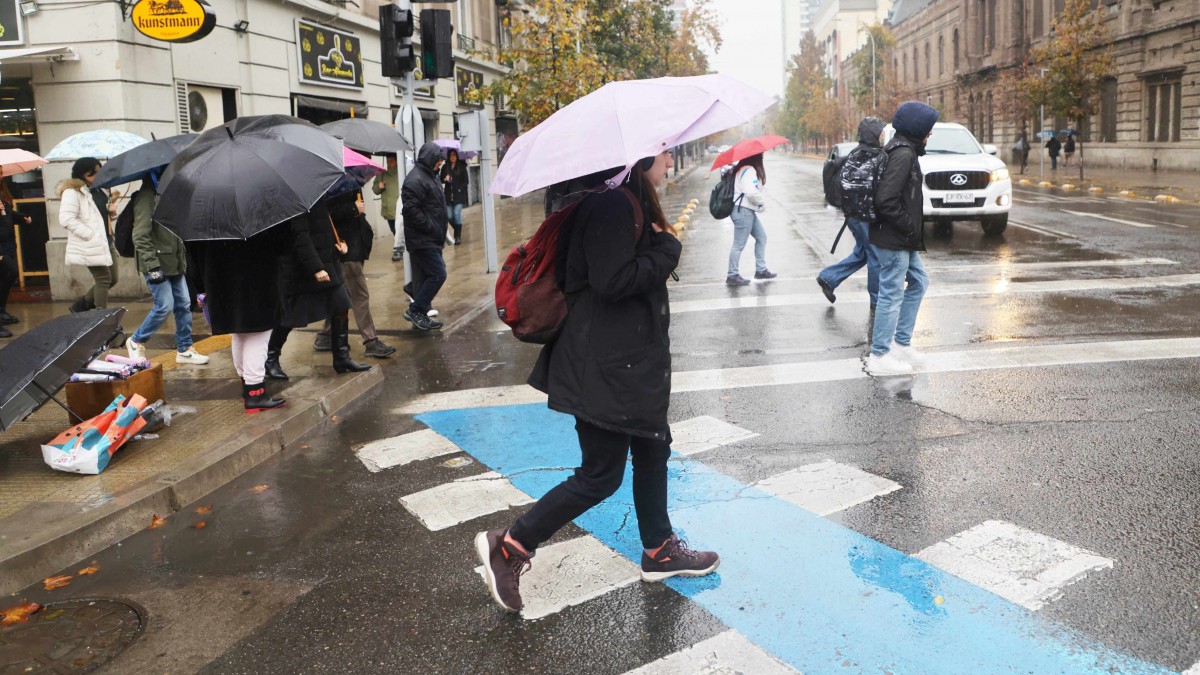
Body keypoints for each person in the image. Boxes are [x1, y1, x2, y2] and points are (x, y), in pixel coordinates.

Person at [474, 152, 719, 614]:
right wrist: (667, 250)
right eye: (664, 151)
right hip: (606, 367)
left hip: (627, 363)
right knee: (600, 475)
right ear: (641, 158)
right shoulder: (610, 206)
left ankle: (659, 549)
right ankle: (509, 546)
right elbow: (612, 281)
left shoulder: (624, 202)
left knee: (653, 448)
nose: (669, 158)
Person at [865, 101, 937, 377]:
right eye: (928, 128)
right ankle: (880, 355)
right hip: (895, 238)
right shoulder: (903, 154)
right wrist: (908, 227)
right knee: (891, 293)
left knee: (919, 282)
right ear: (917, 128)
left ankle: (901, 344)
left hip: (902, 238)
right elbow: (886, 199)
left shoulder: (904, 150)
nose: (930, 134)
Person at [265, 203, 370, 379]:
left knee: (341, 306)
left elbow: (324, 225)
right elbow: (301, 237)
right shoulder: (297, 202)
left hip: (329, 262)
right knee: (291, 316)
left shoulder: (316, 196)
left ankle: (342, 358)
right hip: (303, 269)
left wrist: (339, 244)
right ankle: (270, 359)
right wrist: (316, 268)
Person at [190, 230, 287, 413]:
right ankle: (255, 392)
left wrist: (201, 287)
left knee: (240, 333)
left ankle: (247, 384)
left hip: (220, 285)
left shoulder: (204, 217)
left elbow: (193, 255)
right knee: (258, 336)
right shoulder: (254, 214)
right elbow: (281, 244)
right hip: (256, 285)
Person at [125, 174, 210, 365]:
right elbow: (139, 235)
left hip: (174, 261)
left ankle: (185, 348)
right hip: (156, 263)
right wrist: (152, 266)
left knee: (184, 304)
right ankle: (136, 340)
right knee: (164, 305)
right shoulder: (147, 197)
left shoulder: (168, 195)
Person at [311, 189, 396, 359]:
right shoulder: (332, 185)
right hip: (345, 249)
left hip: (353, 247)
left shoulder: (347, 182)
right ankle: (370, 340)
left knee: (345, 295)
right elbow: (327, 213)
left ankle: (326, 336)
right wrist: (353, 208)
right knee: (359, 296)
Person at [817, 117, 885, 308]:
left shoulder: (856, 153)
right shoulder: (870, 156)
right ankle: (876, 299)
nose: (882, 135)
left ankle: (828, 278)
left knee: (862, 253)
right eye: (880, 132)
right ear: (873, 134)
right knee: (874, 256)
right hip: (863, 216)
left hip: (854, 215)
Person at [401, 142, 449, 331]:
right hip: (422, 239)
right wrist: (431, 227)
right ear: (430, 159)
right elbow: (410, 210)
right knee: (438, 274)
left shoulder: (430, 175)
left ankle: (414, 291)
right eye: (438, 160)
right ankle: (416, 309)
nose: (440, 164)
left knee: (432, 272)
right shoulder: (415, 180)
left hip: (431, 237)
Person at [59, 157, 118, 312]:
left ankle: (81, 305)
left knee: (113, 279)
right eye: (93, 174)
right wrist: (89, 234)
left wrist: (111, 213)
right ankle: (101, 318)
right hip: (90, 243)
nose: (97, 176)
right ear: (82, 175)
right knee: (104, 279)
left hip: (107, 241)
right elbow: (66, 219)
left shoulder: (100, 189)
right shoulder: (73, 192)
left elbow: (99, 215)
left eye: (99, 172)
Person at [726, 152, 776, 286]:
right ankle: (732, 275)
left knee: (761, 237)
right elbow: (751, 192)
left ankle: (761, 270)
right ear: (756, 157)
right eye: (761, 156)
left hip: (746, 211)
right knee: (738, 244)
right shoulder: (748, 170)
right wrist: (761, 202)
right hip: (743, 212)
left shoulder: (743, 169)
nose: (763, 158)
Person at [371, 155, 402, 262]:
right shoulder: (381, 174)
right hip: (388, 209)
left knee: (399, 231)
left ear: (397, 161)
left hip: (399, 209)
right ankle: (400, 248)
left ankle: (398, 250)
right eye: (388, 161)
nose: (389, 163)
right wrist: (378, 187)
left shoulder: (401, 172)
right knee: (395, 231)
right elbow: (375, 190)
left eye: (392, 161)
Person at [441, 149, 469, 245]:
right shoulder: (445, 167)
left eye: (454, 155)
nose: (452, 157)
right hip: (448, 196)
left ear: (457, 156)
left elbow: (466, 181)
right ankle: (458, 229)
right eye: (451, 155)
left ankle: (457, 237)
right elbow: (441, 179)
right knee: (449, 216)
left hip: (459, 196)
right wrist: (445, 179)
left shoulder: (461, 167)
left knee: (457, 214)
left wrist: (459, 189)